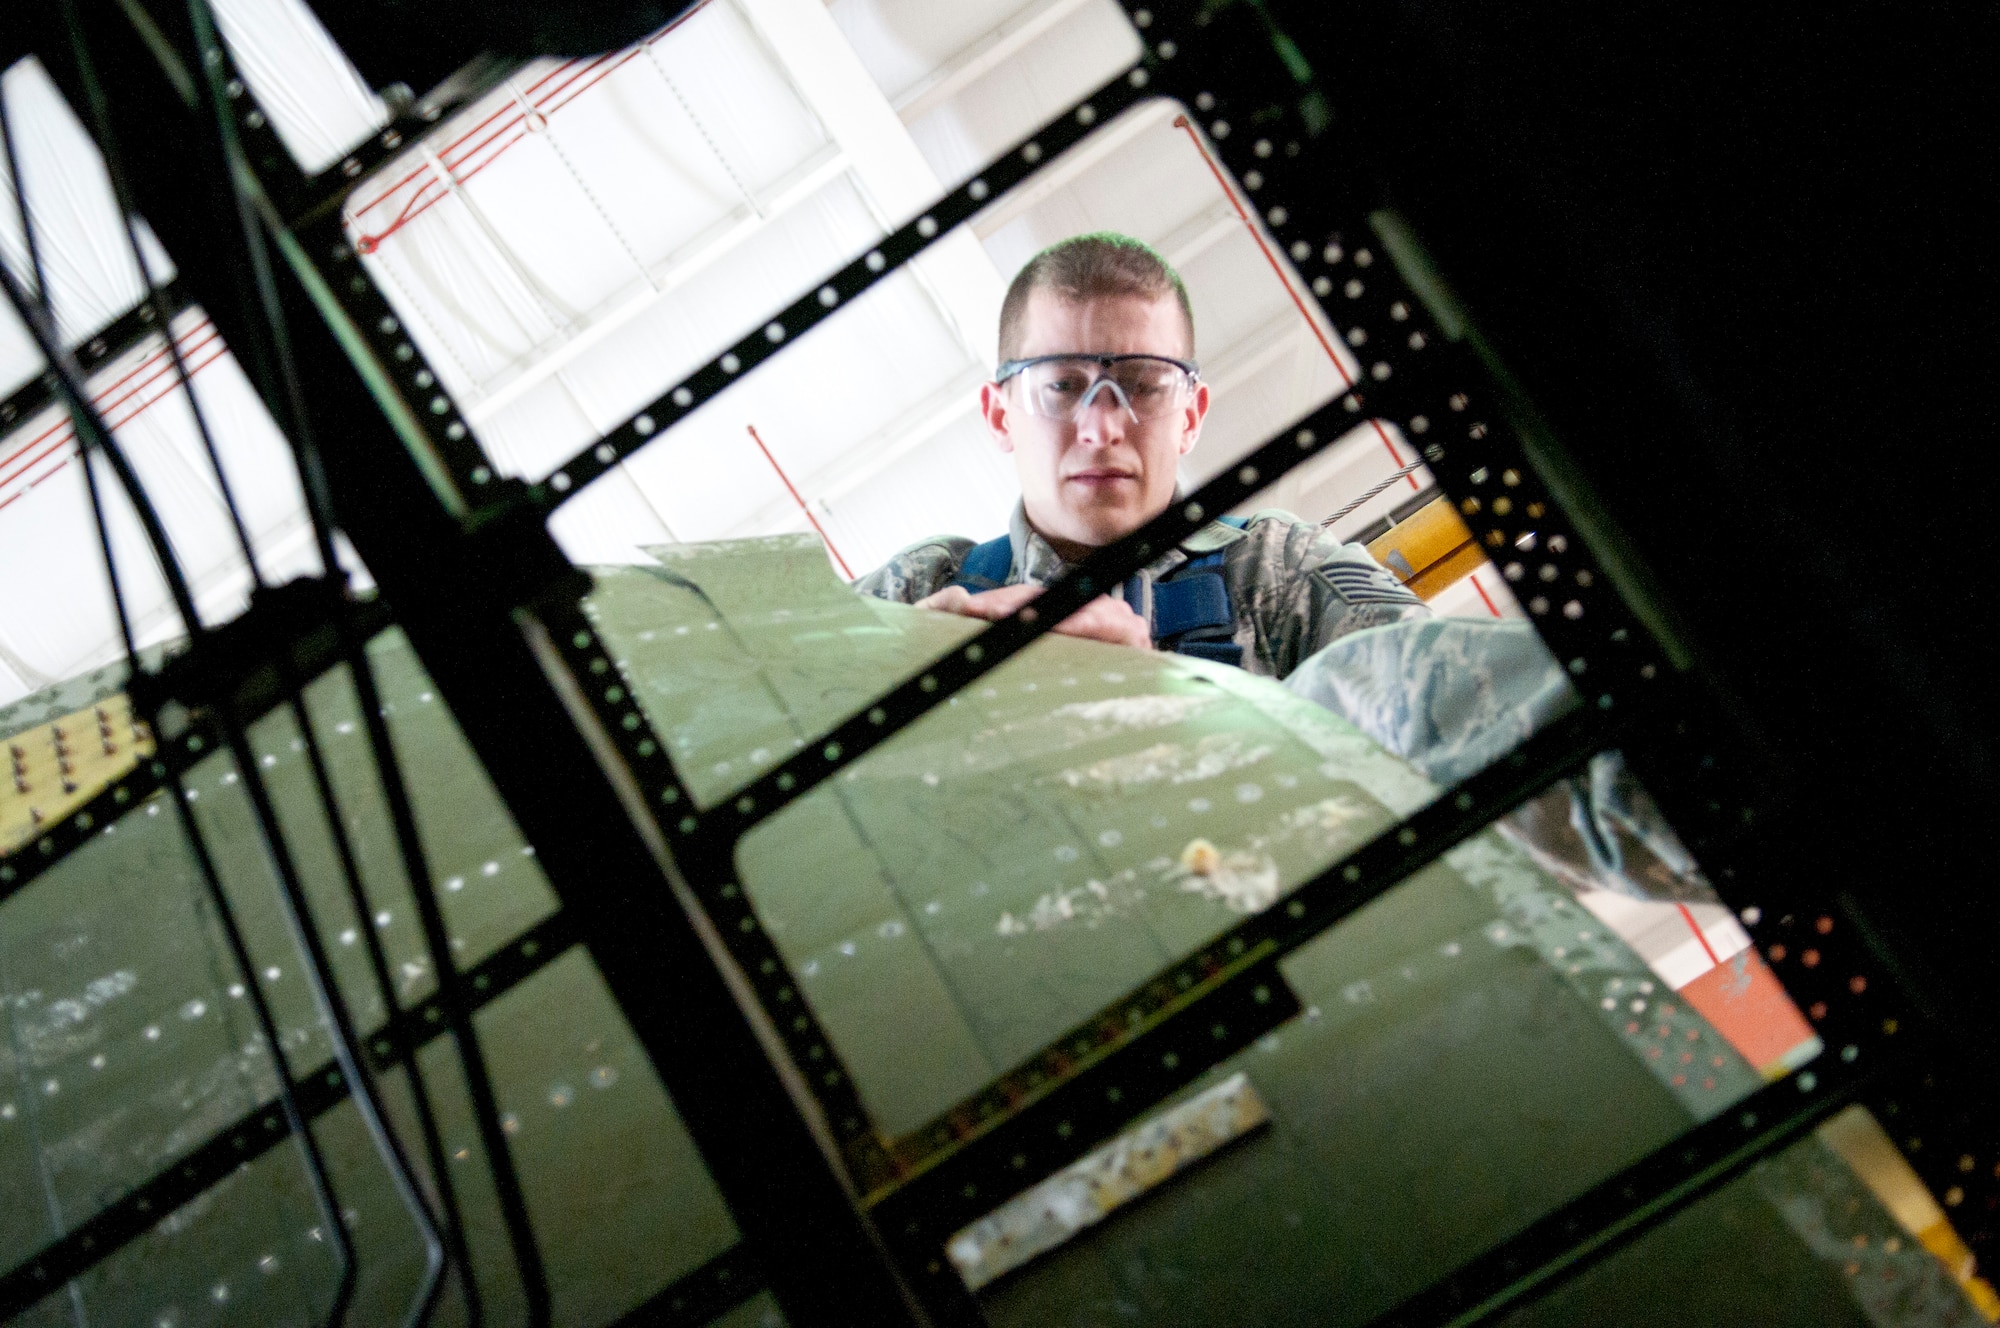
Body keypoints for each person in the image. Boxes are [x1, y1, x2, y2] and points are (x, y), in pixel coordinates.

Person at [851, 232, 1427, 680]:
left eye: (1146, 384)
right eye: (1061, 386)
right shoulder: (914, 592)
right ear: (1001, 415)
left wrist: (1159, 695)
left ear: (1191, 416)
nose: (1101, 427)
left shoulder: (1277, 577)